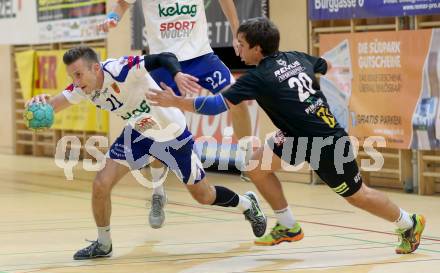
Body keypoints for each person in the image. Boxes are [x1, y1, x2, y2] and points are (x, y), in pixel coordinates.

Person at [148, 17, 426, 254]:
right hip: (296, 136)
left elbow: (216, 105)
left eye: (242, 44)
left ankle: (408, 223)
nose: (238, 49)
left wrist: (176, 102)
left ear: (257, 49)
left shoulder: (257, 79)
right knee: (256, 167)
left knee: (357, 196)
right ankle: (288, 225)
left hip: (326, 142)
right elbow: (323, 65)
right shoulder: (297, 57)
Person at [26, 46, 267, 260]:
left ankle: (247, 205)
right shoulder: (84, 88)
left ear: (95, 68)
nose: (76, 81)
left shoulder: (121, 69)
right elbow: (53, 105)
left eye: (78, 74)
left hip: (173, 135)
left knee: (203, 195)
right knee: (101, 184)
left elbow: (164, 57)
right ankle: (103, 243)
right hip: (139, 133)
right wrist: (38, 105)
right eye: (72, 77)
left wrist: (177, 74)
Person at [98, 0, 254, 229]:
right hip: (164, 62)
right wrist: (113, 17)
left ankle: (248, 154)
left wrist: (236, 32)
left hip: (202, 57)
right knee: (155, 127)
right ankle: (158, 192)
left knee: (237, 99)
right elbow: (123, 4)